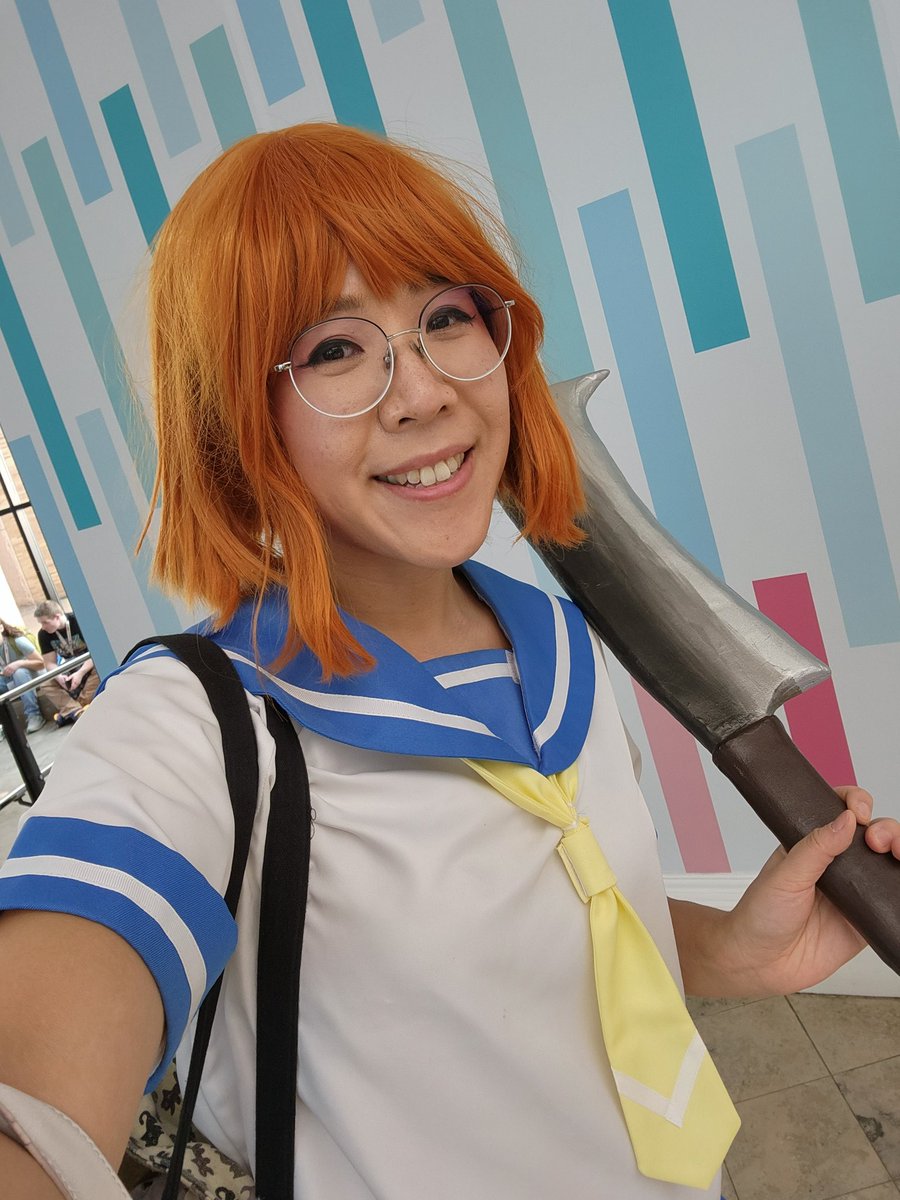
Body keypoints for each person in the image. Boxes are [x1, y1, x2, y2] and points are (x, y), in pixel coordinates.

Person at [0, 123, 898, 1200]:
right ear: (235, 419)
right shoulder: (191, 731)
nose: (423, 391)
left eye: (444, 318)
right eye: (334, 349)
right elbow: (36, 1101)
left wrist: (734, 951)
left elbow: (556, 938)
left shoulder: (555, 638)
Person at [33, 599, 99, 726]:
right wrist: (58, 676)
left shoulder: (78, 621)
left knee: (99, 669)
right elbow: (49, 663)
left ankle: (74, 709)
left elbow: (96, 652)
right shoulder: (43, 634)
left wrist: (80, 673)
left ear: (57, 617)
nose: (43, 627)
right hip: (69, 666)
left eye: (45, 622)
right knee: (45, 683)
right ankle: (77, 709)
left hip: (88, 663)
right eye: (41, 623)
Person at [0, 618, 45, 736]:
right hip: (9, 680)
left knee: (19, 672)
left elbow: (41, 663)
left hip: (30, 675)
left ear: (1, 628)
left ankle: (34, 715)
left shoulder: (17, 641)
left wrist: (19, 663)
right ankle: (3, 725)